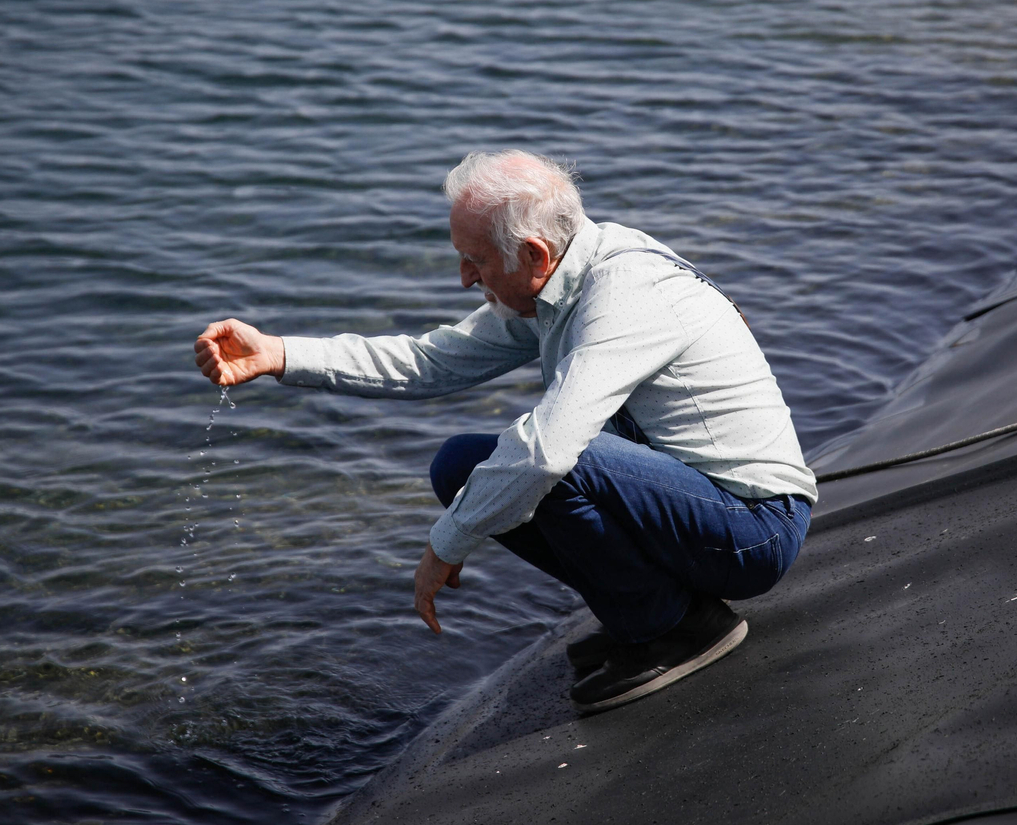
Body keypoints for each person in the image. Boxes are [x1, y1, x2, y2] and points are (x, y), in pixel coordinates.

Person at [194, 150, 817, 712]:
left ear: (534, 255)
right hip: (697, 510)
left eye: (475, 261)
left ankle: (677, 627)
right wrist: (278, 353)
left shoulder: (625, 292)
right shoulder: (561, 279)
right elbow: (427, 361)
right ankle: (656, 612)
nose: (464, 278)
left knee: (559, 455)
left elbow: (549, 448)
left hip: (753, 529)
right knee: (462, 465)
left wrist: (446, 544)